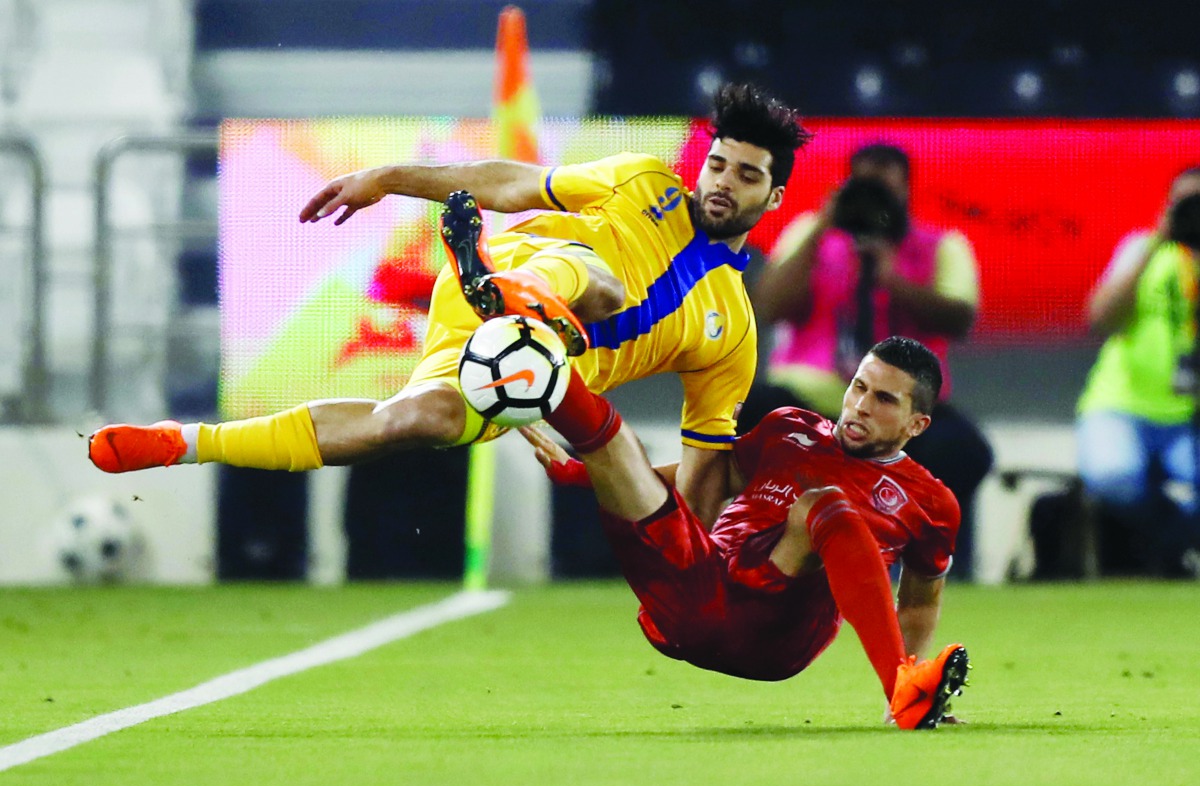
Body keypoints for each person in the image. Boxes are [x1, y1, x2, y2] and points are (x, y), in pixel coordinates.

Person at [88, 83, 811, 528]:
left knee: (407, 422)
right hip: (511, 284)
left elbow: (700, 484)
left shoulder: (733, 332)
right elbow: (508, 184)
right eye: (717, 163)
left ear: (774, 197)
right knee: (600, 281)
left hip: (517, 375)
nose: (722, 182)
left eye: (745, 176)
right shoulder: (642, 179)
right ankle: (514, 296)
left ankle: (184, 442)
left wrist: (679, 557)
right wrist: (388, 177)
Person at [522, 336, 970, 729]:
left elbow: (919, 603)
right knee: (619, 445)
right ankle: (527, 356)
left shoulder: (931, 502)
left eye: (885, 399)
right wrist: (579, 475)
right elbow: (708, 475)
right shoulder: (789, 427)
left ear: (917, 424)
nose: (861, 406)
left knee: (826, 505)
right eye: (858, 386)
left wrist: (900, 685)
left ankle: (903, 691)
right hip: (699, 597)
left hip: (776, 633)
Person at [746, 143, 993, 578]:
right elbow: (769, 305)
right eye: (862, 188)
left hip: (901, 412)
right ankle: (759, 551)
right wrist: (824, 226)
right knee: (752, 414)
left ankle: (923, 565)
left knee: (963, 449)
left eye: (884, 189)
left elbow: (959, 318)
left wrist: (893, 280)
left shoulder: (942, 245)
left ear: (907, 191)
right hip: (812, 399)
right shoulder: (811, 233)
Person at [1076, 165, 1200, 577]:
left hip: (1190, 416)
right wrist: (1159, 241)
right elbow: (1100, 318)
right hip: (1122, 403)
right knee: (1113, 478)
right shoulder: (1141, 248)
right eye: (1185, 204)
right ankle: (1166, 544)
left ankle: (1170, 549)